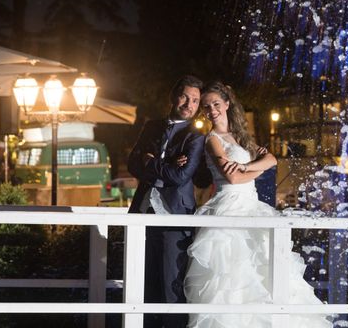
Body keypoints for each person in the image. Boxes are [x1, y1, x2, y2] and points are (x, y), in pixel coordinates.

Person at [184, 81, 331, 328]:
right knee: (231, 274)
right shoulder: (212, 140)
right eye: (207, 107)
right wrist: (253, 167)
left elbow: (272, 159)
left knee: (267, 267)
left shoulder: (241, 137)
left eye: (216, 104)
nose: (212, 110)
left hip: (252, 206)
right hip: (228, 207)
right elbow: (232, 178)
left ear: (227, 104)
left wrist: (245, 166)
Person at [128, 75, 206, 328]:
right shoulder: (152, 126)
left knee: (171, 279)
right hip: (142, 211)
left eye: (195, 100)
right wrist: (165, 165)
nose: (189, 104)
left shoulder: (195, 136)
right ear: (174, 97)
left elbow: (180, 175)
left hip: (175, 214)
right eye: (185, 97)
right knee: (142, 278)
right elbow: (132, 164)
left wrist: (150, 162)